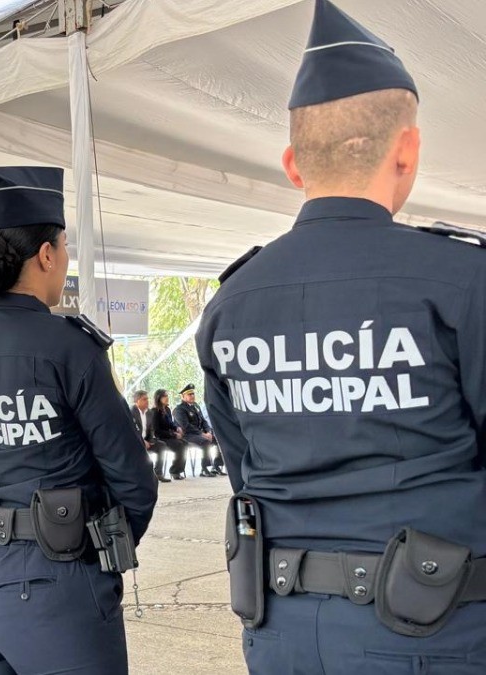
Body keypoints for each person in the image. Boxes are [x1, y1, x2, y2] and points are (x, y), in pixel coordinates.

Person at [196, 2, 486, 672]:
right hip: (432, 632)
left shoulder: (232, 302)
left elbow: (244, 469)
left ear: (294, 164)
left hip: (283, 633)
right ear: (407, 150)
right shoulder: (461, 280)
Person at [0, 166, 158, 674]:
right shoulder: (70, 350)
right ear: (47, 254)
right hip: (55, 581)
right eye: (64, 247)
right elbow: (133, 477)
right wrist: (98, 556)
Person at [172, 384, 223, 477]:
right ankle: (204, 468)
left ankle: (216, 465)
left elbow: (203, 421)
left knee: (217, 439)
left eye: (193, 394)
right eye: (189, 394)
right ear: (183, 396)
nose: (192, 396)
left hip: (198, 434)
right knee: (205, 441)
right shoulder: (179, 409)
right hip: (187, 435)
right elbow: (186, 426)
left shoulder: (195, 406)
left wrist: (208, 432)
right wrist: (202, 434)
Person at [130, 390, 170, 484]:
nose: (147, 401)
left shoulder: (149, 413)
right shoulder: (130, 412)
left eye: (147, 399)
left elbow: (151, 430)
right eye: (144, 399)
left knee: (162, 446)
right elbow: (132, 431)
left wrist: (151, 440)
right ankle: (141, 476)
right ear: (137, 401)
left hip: (147, 441)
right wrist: (142, 441)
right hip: (134, 442)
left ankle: (158, 473)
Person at [149, 389, 189, 481]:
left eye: (167, 396)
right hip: (160, 437)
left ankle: (176, 470)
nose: (167, 398)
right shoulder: (154, 411)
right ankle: (165, 472)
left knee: (185, 443)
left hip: (169, 436)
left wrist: (176, 428)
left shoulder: (167, 409)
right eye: (164, 396)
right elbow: (156, 431)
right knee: (179, 445)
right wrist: (174, 435)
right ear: (158, 398)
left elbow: (170, 423)